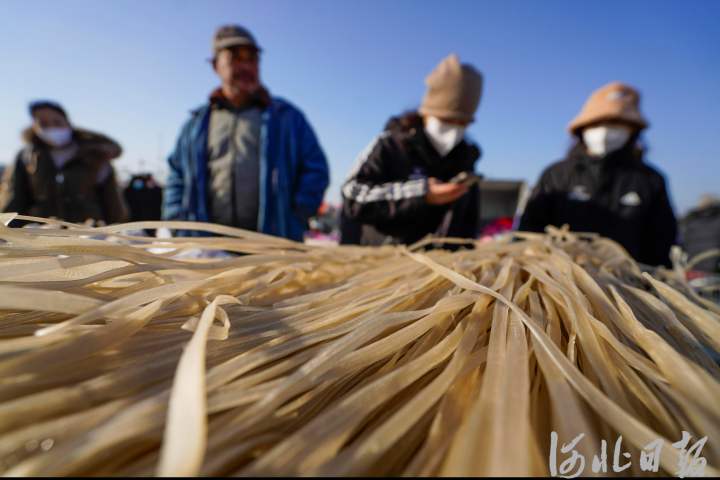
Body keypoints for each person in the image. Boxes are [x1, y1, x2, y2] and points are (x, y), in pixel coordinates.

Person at [162, 24, 330, 240]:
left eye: (251, 59)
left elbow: (316, 169)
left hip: (272, 248)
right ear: (216, 66)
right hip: (208, 251)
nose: (245, 66)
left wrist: (294, 217)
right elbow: (176, 175)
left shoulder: (287, 118)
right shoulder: (195, 126)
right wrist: (177, 220)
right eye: (235, 58)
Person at [518, 82, 678, 267]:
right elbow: (529, 231)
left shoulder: (650, 180)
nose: (604, 132)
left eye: (616, 125)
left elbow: (661, 242)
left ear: (633, 131)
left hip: (626, 286)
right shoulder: (556, 174)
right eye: (596, 124)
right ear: (582, 130)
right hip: (561, 284)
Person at [341, 54, 483, 246]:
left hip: (437, 267)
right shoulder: (390, 145)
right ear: (427, 113)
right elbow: (352, 195)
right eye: (446, 121)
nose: (453, 132)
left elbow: (468, 224)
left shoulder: (465, 159)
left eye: (463, 123)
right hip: (384, 261)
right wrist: (420, 194)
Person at [0, 100, 128, 225]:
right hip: (42, 233)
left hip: (89, 231)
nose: (51, 127)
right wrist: (7, 229)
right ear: (35, 127)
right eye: (43, 124)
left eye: (57, 121)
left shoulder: (95, 155)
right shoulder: (26, 156)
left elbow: (111, 200)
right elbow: (16, 198)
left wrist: (117, 228)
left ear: (67, 122)